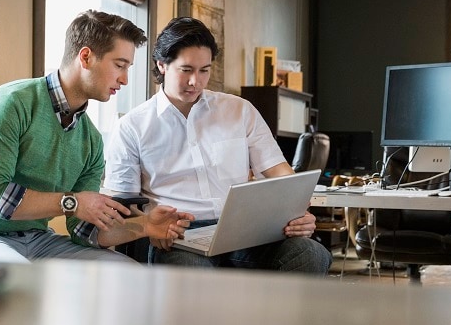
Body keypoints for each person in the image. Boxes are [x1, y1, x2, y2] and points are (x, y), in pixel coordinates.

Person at [0, 10, 192, 263]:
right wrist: (72, 202)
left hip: (36, 239)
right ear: (86, 57)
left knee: (127, 273)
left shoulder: (90, 139)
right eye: (119, 65)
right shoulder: (10, 104)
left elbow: (83, 230)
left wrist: (145, 226)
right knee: (21, 279)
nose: (124, 79)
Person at [103, 17, 332, 274]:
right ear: (162, 65)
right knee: (192, 273)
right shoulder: (133, 126)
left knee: (311, 255)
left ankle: (275, 316)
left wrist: (299, 211)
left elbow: (279, 172)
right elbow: (122, 205)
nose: (196, 82)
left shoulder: (239, 110)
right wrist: (148, 225)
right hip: (178, 235)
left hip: (243, 230)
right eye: (186, 70)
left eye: (204, 70)